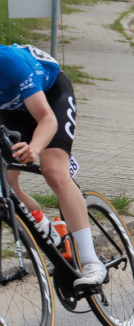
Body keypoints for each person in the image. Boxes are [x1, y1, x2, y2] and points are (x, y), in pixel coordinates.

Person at [0, 44, 106, 287]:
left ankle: (91, 262)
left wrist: (34, 148)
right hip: (12, 112)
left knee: (53, 171)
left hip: (49, 96)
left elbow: (47, 119)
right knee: (5, 185)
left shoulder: (8, 62)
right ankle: (51, 233)